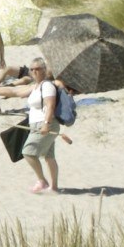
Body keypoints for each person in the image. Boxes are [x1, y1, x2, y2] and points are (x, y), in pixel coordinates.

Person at [18, 59, 71, 194]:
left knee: (28, 152)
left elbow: (50, 105)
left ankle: (42, 181)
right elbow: (16, 92)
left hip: (46, 124)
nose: (34, 71)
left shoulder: (46, 85)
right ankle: (54, 187)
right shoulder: (36, 86)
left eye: (37, 69)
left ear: (44, 70)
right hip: (37, 124)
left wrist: (46, 124)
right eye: (32, 69)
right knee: (49, 157)